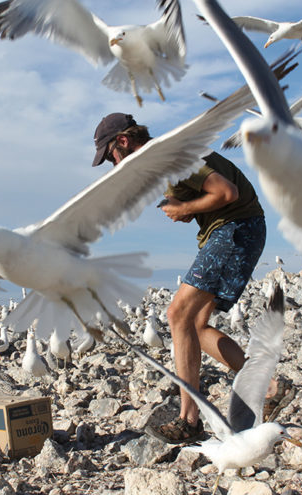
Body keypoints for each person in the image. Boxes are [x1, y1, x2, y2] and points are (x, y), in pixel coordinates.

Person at [92, 112, 289, 443]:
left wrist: (185, 209)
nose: (114, 166)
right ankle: (269, 388)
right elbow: (215, 194)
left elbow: (227, 193)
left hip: (235, 229)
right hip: (238, 229)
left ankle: (189, 420)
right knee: (194, 326)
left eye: (111, 156)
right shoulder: (166, 161)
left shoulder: (171, 155)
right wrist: (187, 206)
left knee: (176, 314)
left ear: (123, 142)